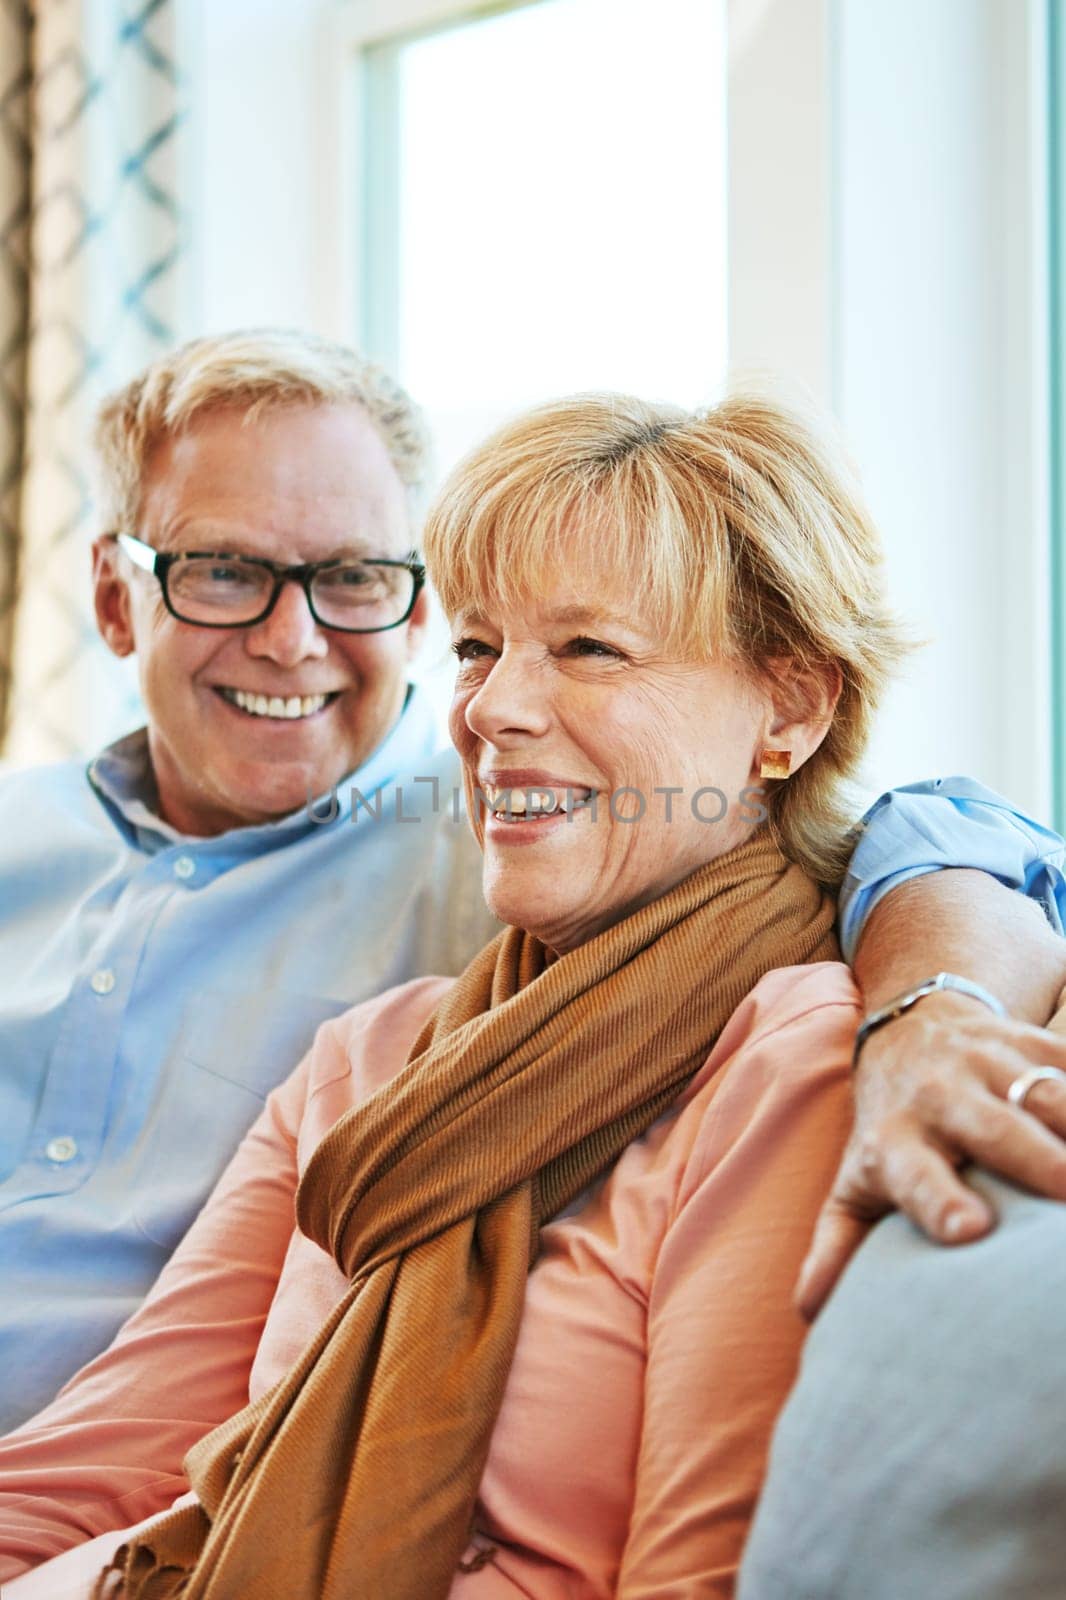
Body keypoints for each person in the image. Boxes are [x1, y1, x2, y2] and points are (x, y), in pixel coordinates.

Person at [0, 392, 1064, 1600]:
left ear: (792, 710)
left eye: (588, 648)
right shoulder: (369, 1053)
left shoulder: (796, 1055)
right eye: (475, 645)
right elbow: (100, 1464)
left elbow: (698, 1578)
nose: (490, 709)